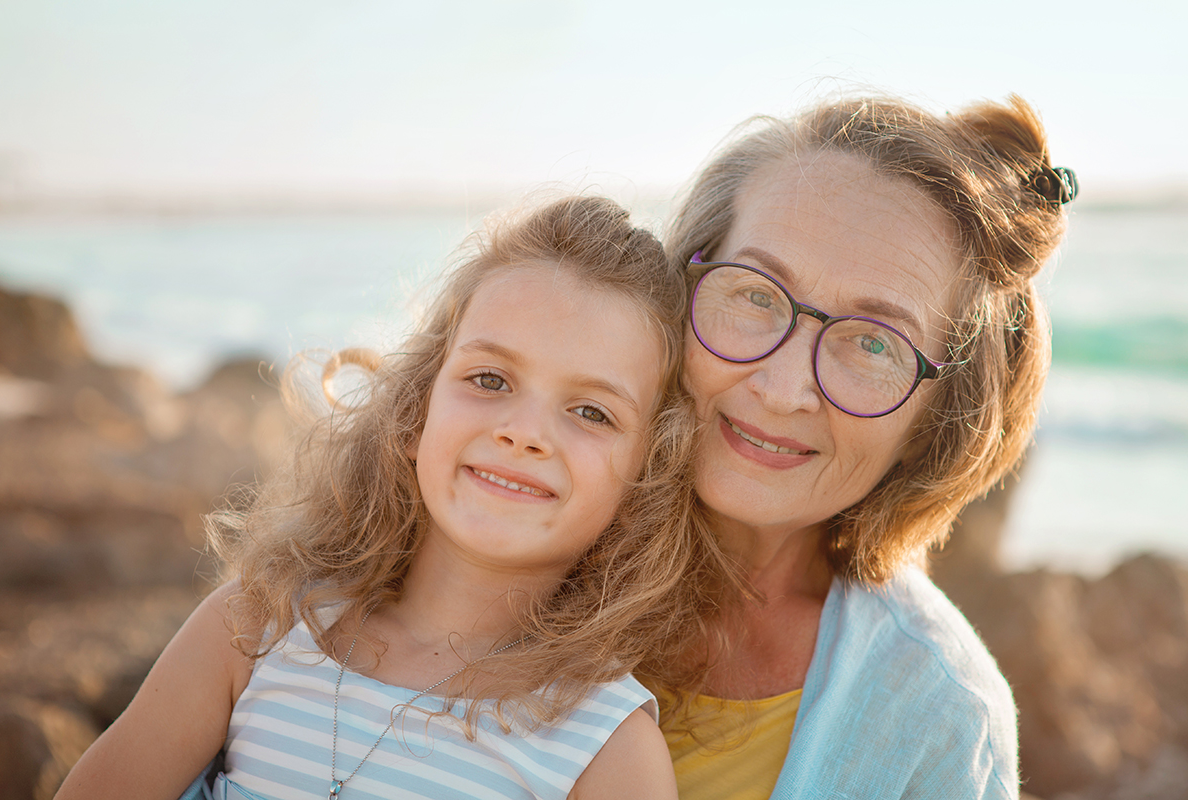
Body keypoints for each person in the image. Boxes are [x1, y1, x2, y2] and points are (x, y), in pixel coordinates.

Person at [54, 196, 730, 800]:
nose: (523, 433)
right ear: (413, 413)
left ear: (646, 478)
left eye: (590, 412)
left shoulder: (604, 751)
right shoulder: (260, 625)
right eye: (490, 379)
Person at [657, 94, 1077, 799]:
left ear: (939, 418)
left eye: (874, 342)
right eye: (757, 295)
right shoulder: (497, 527)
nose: (785, 387)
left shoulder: (942, 717)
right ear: (681, 287)